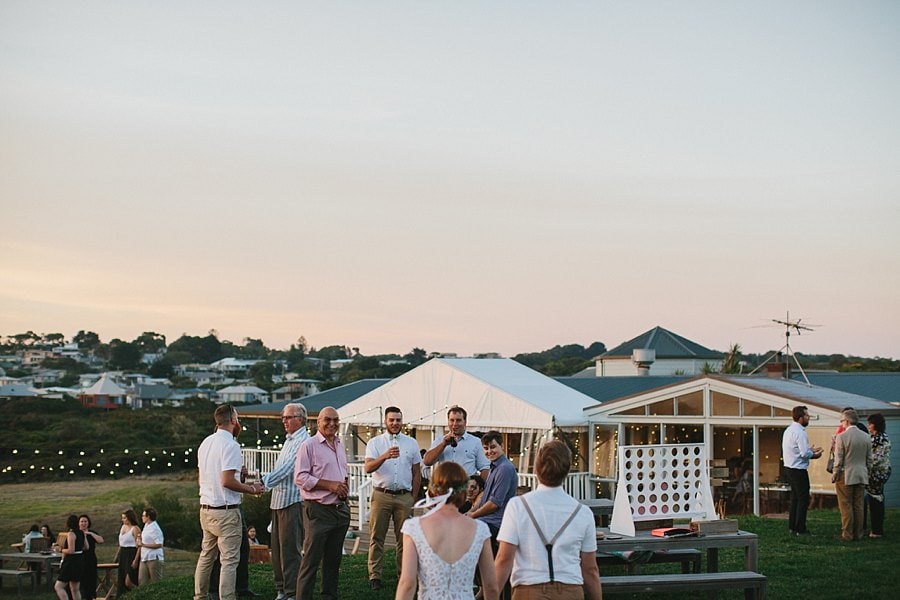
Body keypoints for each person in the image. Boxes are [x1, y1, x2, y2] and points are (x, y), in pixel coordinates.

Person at [494, 440, 602, 600]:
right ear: (567, 470)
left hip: (529, 591)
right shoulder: (583, 513)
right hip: (570, 591)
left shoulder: (518, 506)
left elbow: (504, 559)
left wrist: (491, 594)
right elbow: (590, 569)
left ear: (537, 468)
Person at [396, 461, 498, 600]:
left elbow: (407, 583)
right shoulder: (480, 529)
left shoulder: (414, 527)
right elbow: (491, 586)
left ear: (433, 491)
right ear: (463, 491)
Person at [193, 405, 264, 600]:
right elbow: (226, 481)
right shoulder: (231, 445)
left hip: (206, 509)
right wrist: (252, 489)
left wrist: (237, 475)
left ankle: (200, 596)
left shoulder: (206, 443)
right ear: (233, 420)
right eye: (238, 417)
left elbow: (205, 478)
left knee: (206, 556)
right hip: (226, 511)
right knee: (230, 561)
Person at [295, 406, 350, 600]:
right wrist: (330, 486)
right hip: (318, 511)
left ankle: (329, 596)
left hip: (340, 510)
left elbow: (342, 473)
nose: (332, 424)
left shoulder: (340, 444)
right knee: (310, 562)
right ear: (318, 422)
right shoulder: (308, 446)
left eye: (335, 420)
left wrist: (343, 490)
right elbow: (300, 477)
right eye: (327, 420)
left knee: (333, 562)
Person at [365, 406, 422, 590]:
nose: (395, 423)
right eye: (392, 420)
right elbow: (368, 468)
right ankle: (375, 576)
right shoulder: (375, 442)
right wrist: (385, 456)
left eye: (398, 420)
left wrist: (412, 498)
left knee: (404, 539)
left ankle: (403, 575)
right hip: (381, 495)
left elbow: (416, 473)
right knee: (376, 537)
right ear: (385, 421)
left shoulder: (411, 443)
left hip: (404, 496)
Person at [261, 402, 309, 600]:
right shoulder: (289, 440)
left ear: (300, 419)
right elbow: (280, 468)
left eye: (288, 417)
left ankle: (291, 592)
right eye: (283, 417)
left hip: (292, 501)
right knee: (278, 549)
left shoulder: (303, 441)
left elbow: (288, 468)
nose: (284, 421)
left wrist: (263, 483)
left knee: (290, 550)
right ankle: (281, 588)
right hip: (278, 500)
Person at [467, 431, 517, 540]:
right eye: (486, 448)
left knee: (461, 533)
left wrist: (473, 515)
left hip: (495, 523)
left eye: (493, 447)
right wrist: (470, 512)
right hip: (485, 519)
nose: (489, 451)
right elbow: (485, 495)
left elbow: (494, 504)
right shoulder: (494, 466)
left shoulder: (504, 468)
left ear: (502, 446)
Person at [781, 405, 823, 536]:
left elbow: (796, 450)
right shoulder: (800, 432)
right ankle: (801, 528)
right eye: (806, 416)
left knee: (795, 498)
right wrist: (815, 455)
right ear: (800, 418)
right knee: (803, 499)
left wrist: (809, 450)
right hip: (798, 469)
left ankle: (792, 526)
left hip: (789, 467)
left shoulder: (788, 430)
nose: (808, 418)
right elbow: (804, 453)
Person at [833, 408, 872, 541]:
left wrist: (835, 474)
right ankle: (859, 533)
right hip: (861, 474)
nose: (842, 423)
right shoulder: (866, 437)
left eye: (842, 420)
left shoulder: (841, 437)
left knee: (846, 505)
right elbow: (869, 459)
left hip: (846, 474)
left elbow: (839, 459)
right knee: (859, 505)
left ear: (847, 421)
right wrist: (868, 472)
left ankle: (847, 534)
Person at [423, 406, 490, 480]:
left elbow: (485, 468)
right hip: (444, 488)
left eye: (458, 420)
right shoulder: (440, 441)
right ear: (448, 422)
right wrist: (443, 444)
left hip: (466, 488)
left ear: (465, 422)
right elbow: (427, 461)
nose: (454, 424)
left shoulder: (476, 442)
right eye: (452, 420)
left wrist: (482, 489)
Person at [866, 413, 892, 538]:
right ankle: (877, 528)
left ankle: (877, 530)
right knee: (877, 499)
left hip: (877, 474)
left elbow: (876, 458)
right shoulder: (881, 437)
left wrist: (865, 464)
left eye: (870, 424)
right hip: (881, 472)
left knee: (876, 500)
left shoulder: (879, 439)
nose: (868, 426)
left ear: (875, 425)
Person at [55, 514, 87, 600]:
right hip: (80, 560)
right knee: (75, 589)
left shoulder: (71, 534)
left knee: (59, 587)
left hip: (71, 562)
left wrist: (60, 550)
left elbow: (71, 550)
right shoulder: (82, 533)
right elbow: (86, 547)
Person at [79, 514, 104, 600]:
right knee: (81, 582)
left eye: (85, 521)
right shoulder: (76, 534)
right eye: (81, 521)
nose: (83, 523)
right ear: (78, 523)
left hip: (90, 560)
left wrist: (90, 533)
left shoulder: (92, 533)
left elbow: (101, 540)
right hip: (79, 560)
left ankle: (90, 596)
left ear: (88, 523)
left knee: (91, 580)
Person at [117, 509, 141, 594]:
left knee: (129, 581)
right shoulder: (123, 527)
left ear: (129, 518)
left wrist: (135, 560)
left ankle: (141, 592)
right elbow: (121, 544)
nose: (122, 520)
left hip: (131, 553)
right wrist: (117, 556)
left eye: (124, 518)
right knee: (122, 580)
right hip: (123, 553)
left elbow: (139, 546)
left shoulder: (135, 529)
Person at [138, 507, 164, 585]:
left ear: (148, 517)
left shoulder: (155, 528)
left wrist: (144, 545)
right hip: (144, 557)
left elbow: (159, 544)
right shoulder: (146, 526)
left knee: (155, 582)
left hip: (153, 558)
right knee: (142, 581)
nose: (142, 517)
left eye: (143, 516)